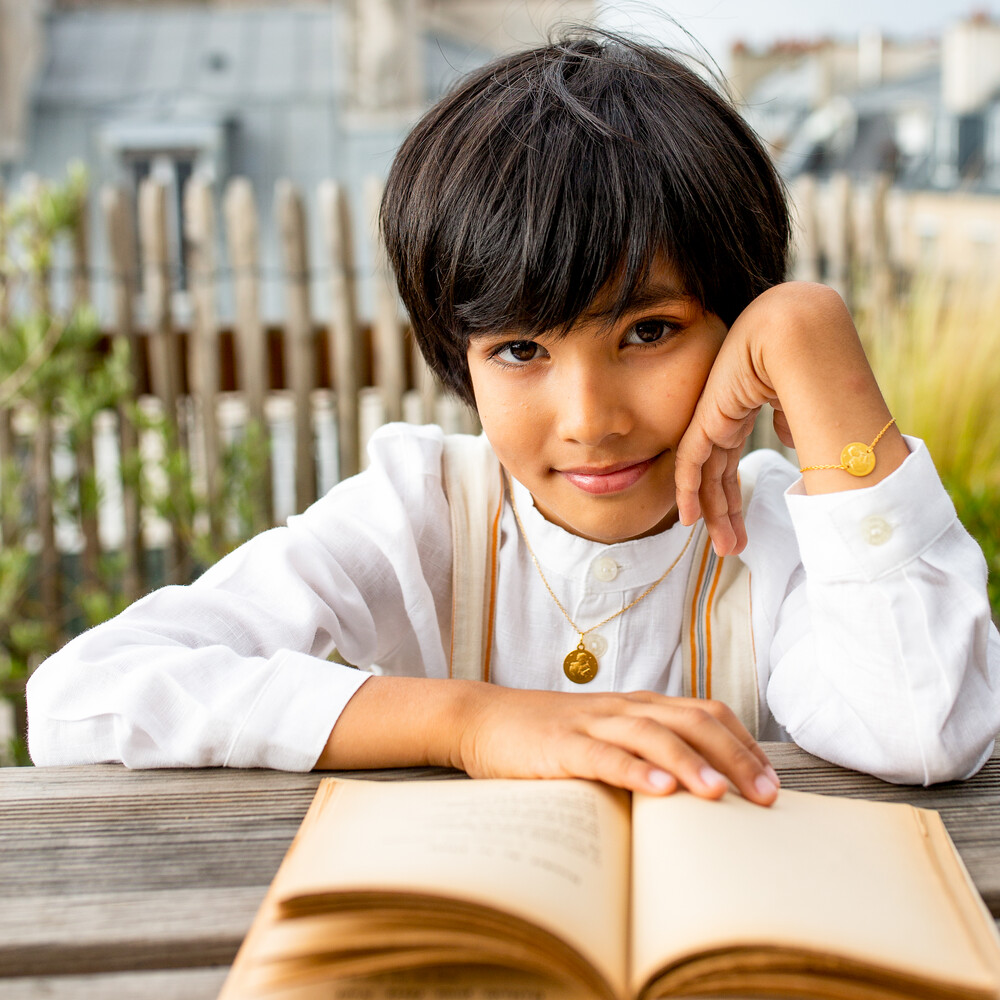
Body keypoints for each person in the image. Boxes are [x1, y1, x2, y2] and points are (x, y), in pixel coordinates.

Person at [26, 30, 1000, 805]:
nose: (589, 419)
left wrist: (811, 342)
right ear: (460, 358)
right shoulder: (424, 513)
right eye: (521, 351)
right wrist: (469, 720)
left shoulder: (781, 536)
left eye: (648, 330)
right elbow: (80, 698)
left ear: (735, 327)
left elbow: (925, 731)